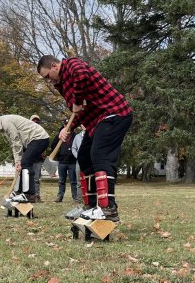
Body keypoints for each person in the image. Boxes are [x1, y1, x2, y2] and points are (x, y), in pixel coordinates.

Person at [37, 56, 133, 222]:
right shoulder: (62, 85)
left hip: (114, 113)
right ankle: (92, 206)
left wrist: (78, 100)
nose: (48, 81)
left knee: (100, 156)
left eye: (47, 76)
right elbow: (79, 111)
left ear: (54, 66)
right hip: (96, 122)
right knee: (84, 157)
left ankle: (108, 208)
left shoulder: (72, 64)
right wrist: (68, 128)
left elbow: (82, 76)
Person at [0, 114, 50, 203]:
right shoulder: (4, 123)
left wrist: (18, 160)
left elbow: (16, 142)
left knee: (25, 163)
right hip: (34, 140)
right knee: (23, 164)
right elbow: (14, 144)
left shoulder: (6, 123)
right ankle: (18, 192)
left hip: (39, 138)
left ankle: (30, 195)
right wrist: (17, 161)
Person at [50, 120, 79, 203]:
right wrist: (59, 154)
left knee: (73, 181)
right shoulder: (59, 135)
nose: (67, 125)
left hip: (72, 162)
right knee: (61, 181)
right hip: (62, 162)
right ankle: (60, 197)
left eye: (68, 124)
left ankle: (75, 197)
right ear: (63, 125)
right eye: (66, 124)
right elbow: (53, 146)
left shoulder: (75, 135)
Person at [28, 114, 44, 202]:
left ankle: (37, 196)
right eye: (34, 121)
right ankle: (29, 195)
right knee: (27, 178)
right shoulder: (26, 131)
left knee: (36, 179)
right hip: (29, 160)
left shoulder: (42, 132)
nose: (35, 122)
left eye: (37, 121)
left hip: (38, 160)